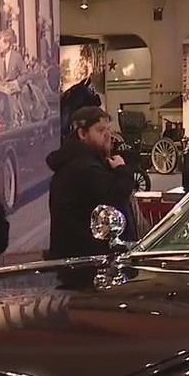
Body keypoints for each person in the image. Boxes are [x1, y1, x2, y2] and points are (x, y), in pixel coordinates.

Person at [45, 106, 135, 260]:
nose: (108, 136)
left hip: (83, 258)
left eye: (108, 130)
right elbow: (115, 197)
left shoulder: (84, 163)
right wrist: (122, 170)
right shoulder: (83, 168)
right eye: (100, 131)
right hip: (86, 261)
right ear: (82, 133)